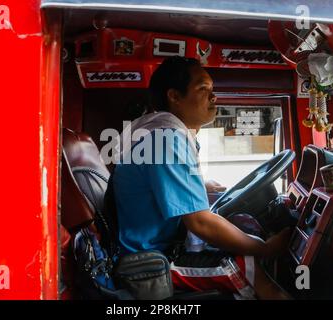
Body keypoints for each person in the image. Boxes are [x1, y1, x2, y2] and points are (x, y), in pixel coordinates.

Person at [112, 56, 291, 299]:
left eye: (212, 89)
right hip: (151, 257)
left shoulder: (159, 132)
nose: (213, 96)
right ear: (174, 96)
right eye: (203, 89)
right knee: (248, 267)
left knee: (242, 233)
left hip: (160, 244)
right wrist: (266, 248)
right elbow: (200, 223)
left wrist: (202, 186)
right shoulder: (166, 138)